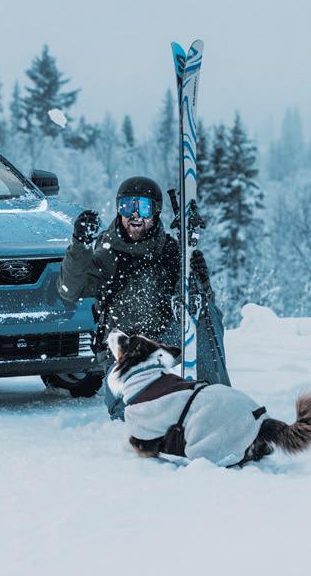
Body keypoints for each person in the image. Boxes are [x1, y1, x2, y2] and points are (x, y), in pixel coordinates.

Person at [58, 175, 229, 419]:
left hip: (163, 342)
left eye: (144, 208)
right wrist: (79, 245)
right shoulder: (107, 252)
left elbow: (197, 310)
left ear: (156, 212)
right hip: (123, 351)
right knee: (132, 415)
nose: (135, 215)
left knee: (206, 313)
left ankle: (214, 400)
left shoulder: (170, 251)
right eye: (127, 207)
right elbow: (70, 291)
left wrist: (200, 283)